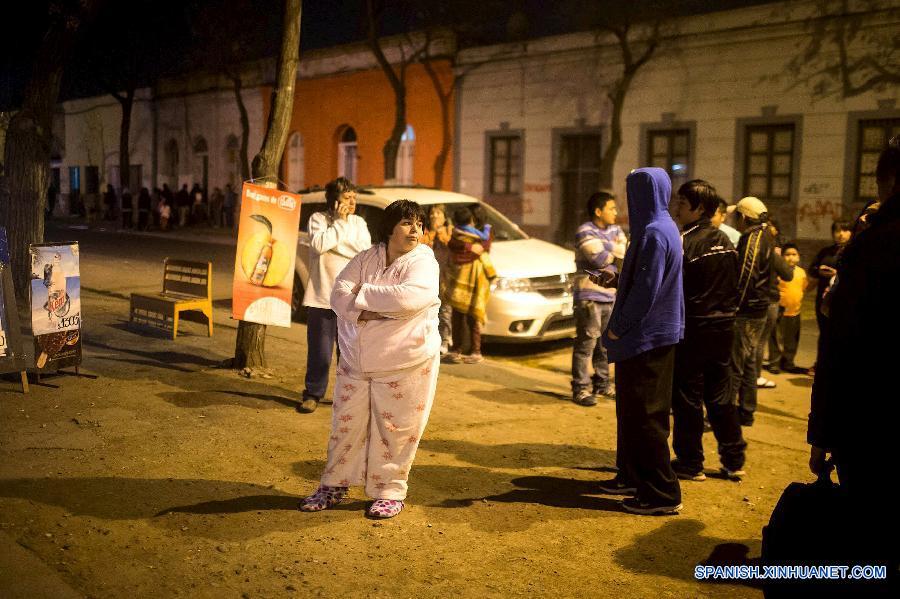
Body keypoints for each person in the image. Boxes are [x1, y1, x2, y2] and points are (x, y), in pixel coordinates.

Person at [300, 199, 441, 519]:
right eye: (407, 223)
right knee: (345, 426)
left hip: (406, 362)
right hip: (356, 361)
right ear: (389, 227)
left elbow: (413, 297)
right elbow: (338, 295)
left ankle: (389, 490)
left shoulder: (424, 262)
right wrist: (379, 308)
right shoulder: (366, 258)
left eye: (419, 224)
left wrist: (362, 298)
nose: (415, 230)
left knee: (396, 429)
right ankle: (334, 484)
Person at [807, 138, 900, 589]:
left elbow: (839, 347)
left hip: (873, 421)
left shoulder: (875, 247)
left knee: (870, 533)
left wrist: (821, 433)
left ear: (889, 181)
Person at [595, 167, 684, 515]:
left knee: (646, 416)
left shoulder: (653, 232)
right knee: (634, 413)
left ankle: (662, 493)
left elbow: (647, 291)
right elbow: (647, 279)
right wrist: (618, 277)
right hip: (653, 333)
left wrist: (617, 327)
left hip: (647, 336)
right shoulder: (660, 228)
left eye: (632, 193)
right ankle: (633, 477)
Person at [668, 180, 747, 482]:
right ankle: (733, 459)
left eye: (682, 203)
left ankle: (690, 463)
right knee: (721, 395)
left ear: (699, 208)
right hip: (724, 328)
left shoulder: (685, 242)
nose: (676, 208)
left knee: (687, 397)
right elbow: (736, 285)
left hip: (695, 328)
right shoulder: (726, 241)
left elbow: (675, 289)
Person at [298, 177, 371, 414]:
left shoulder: (359, 222)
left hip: (349, 298)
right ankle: (312, 393)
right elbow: (319, 245)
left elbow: (363, 253)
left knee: (348, 351)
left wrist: (336, 243)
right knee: (319, 351)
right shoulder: (318, 219)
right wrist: (339, 225)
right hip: (321, 296)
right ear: (334, 200)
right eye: (347, 197)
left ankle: (346, 396)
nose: (352, 202)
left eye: (354, 197)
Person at [728, 197, 793, 427]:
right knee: (748, 363)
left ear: (744, 217)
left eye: (736, 216)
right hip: (760, 308)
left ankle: (727, 414)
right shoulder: (766, 235)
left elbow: (747, 275)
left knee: (736, 364)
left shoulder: (753, 238)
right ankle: (746, 411)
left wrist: (736, 305)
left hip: (749, 310)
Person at [570, 190, 626, 406]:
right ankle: (581, 389)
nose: (615, 212)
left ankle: (602, 384)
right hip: (589, 296)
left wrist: (607, 246)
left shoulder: (615, 229)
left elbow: (625, 251)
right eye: (612, 208)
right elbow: (599, 259)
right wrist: (614, 249)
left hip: (610, 295)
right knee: (586, 344)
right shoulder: (584, 231)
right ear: (598, 211)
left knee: (605, 346)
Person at [443, 207, 495, 364]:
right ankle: (469, 350)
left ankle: (465, 350)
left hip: (466, 281)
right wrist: (470, 248)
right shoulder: (476, 238)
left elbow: (455, 247)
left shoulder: (459, 236)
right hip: (470, 281)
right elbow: (479, 249)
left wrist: (469, 248)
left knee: (466, 316)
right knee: (467, 316)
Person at [806, 219, 851, 375]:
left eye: (845, 230)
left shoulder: (854, 252)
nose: (840, 234)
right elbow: (811, 269)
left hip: (843, 299)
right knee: (824, 333)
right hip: (823, 298)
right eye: (837, 231)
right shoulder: (826, 252)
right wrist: (819, 271)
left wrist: (837, 274)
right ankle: (821, 364)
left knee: (839, 333)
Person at [767, 243, 807, 374]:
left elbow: (803, 287)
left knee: (792, 339)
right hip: (779, 310)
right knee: (775, 338)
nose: (790, 258)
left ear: (799, 257)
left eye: (794, 254)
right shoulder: (779, 273)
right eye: (787, 255)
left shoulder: (801, 272)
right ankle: (774, 362)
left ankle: (788, 362)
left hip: (795, 311)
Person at [421, 204, 453, 355]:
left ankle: (445, 340)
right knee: (428, 311)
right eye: (432, 213)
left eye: (438, 213)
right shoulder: (425, 233)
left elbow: (452, 247)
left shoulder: (450, 232)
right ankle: (430, 340)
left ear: (445, 217)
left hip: (445, 278)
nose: (434, 216)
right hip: (427, 278)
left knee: (445, 311)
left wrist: (442, 235)